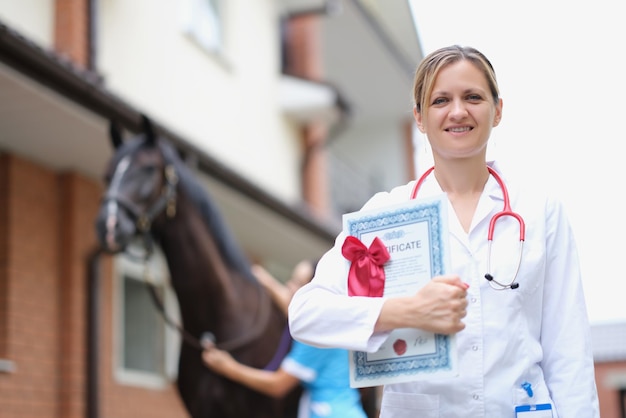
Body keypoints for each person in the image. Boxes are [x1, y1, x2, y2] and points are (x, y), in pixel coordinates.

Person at [287, 45, 599, 417]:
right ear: (419, 117)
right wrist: (405, 311)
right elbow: (306, 314)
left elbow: (569, 352)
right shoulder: (387, 214)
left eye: (473, 97)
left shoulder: (540, 210)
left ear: (497, 110)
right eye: (440, 100)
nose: (457, 111)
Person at [202, 260, 368, 418]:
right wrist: (266, 281)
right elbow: (293, 310)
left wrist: (228, 367)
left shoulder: (318, 336)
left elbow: (278, 385)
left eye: (298, 284)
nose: (289, 286)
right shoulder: (327, 323)